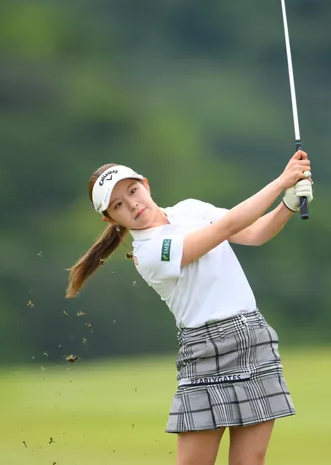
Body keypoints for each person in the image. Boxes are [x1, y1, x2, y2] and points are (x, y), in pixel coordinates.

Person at [66, 151, 313, 465]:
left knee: (249, 461)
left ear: (145, 185)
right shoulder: (149, 252)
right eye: (117, 205)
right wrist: (281, 182)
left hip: (253, 337)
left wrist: (288, 203)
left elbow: (255, 232)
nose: (132, 204)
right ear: (111, 219)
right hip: (204, 351)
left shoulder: (191, 209)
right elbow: (226, 227)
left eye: (132, 191)